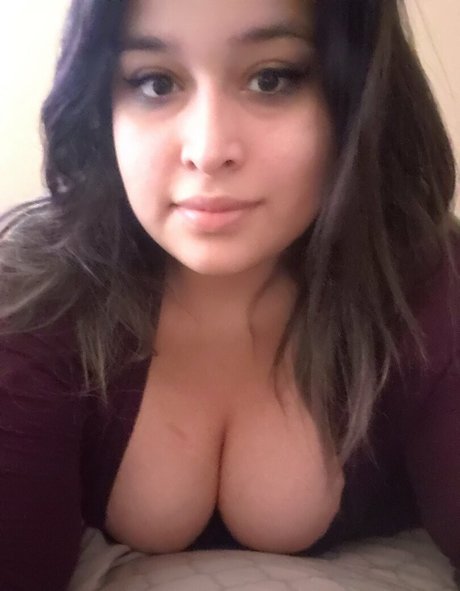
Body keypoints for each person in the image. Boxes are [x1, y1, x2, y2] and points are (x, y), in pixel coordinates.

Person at [1, 0, 459, 589]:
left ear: (357, 94)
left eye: (272, 79)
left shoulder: (426, 287)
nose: (208, 148)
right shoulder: (36, 294)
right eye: (155, 82)